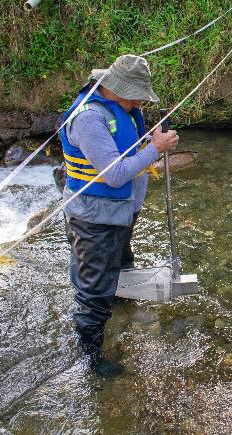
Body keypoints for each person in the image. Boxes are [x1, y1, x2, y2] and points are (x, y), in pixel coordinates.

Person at [60, 54, 179, 376]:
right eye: (138, 95)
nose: (141, 101)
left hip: (119, 213)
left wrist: (150, 139)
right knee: (94, 290)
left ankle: (122, 298)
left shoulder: (122, 109)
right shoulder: (89, 120)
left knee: (122, 260)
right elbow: (114, 175)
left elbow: (125, 149)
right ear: (118, 90)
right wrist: (157, 148)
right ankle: (91, 355)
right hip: (95, 218)